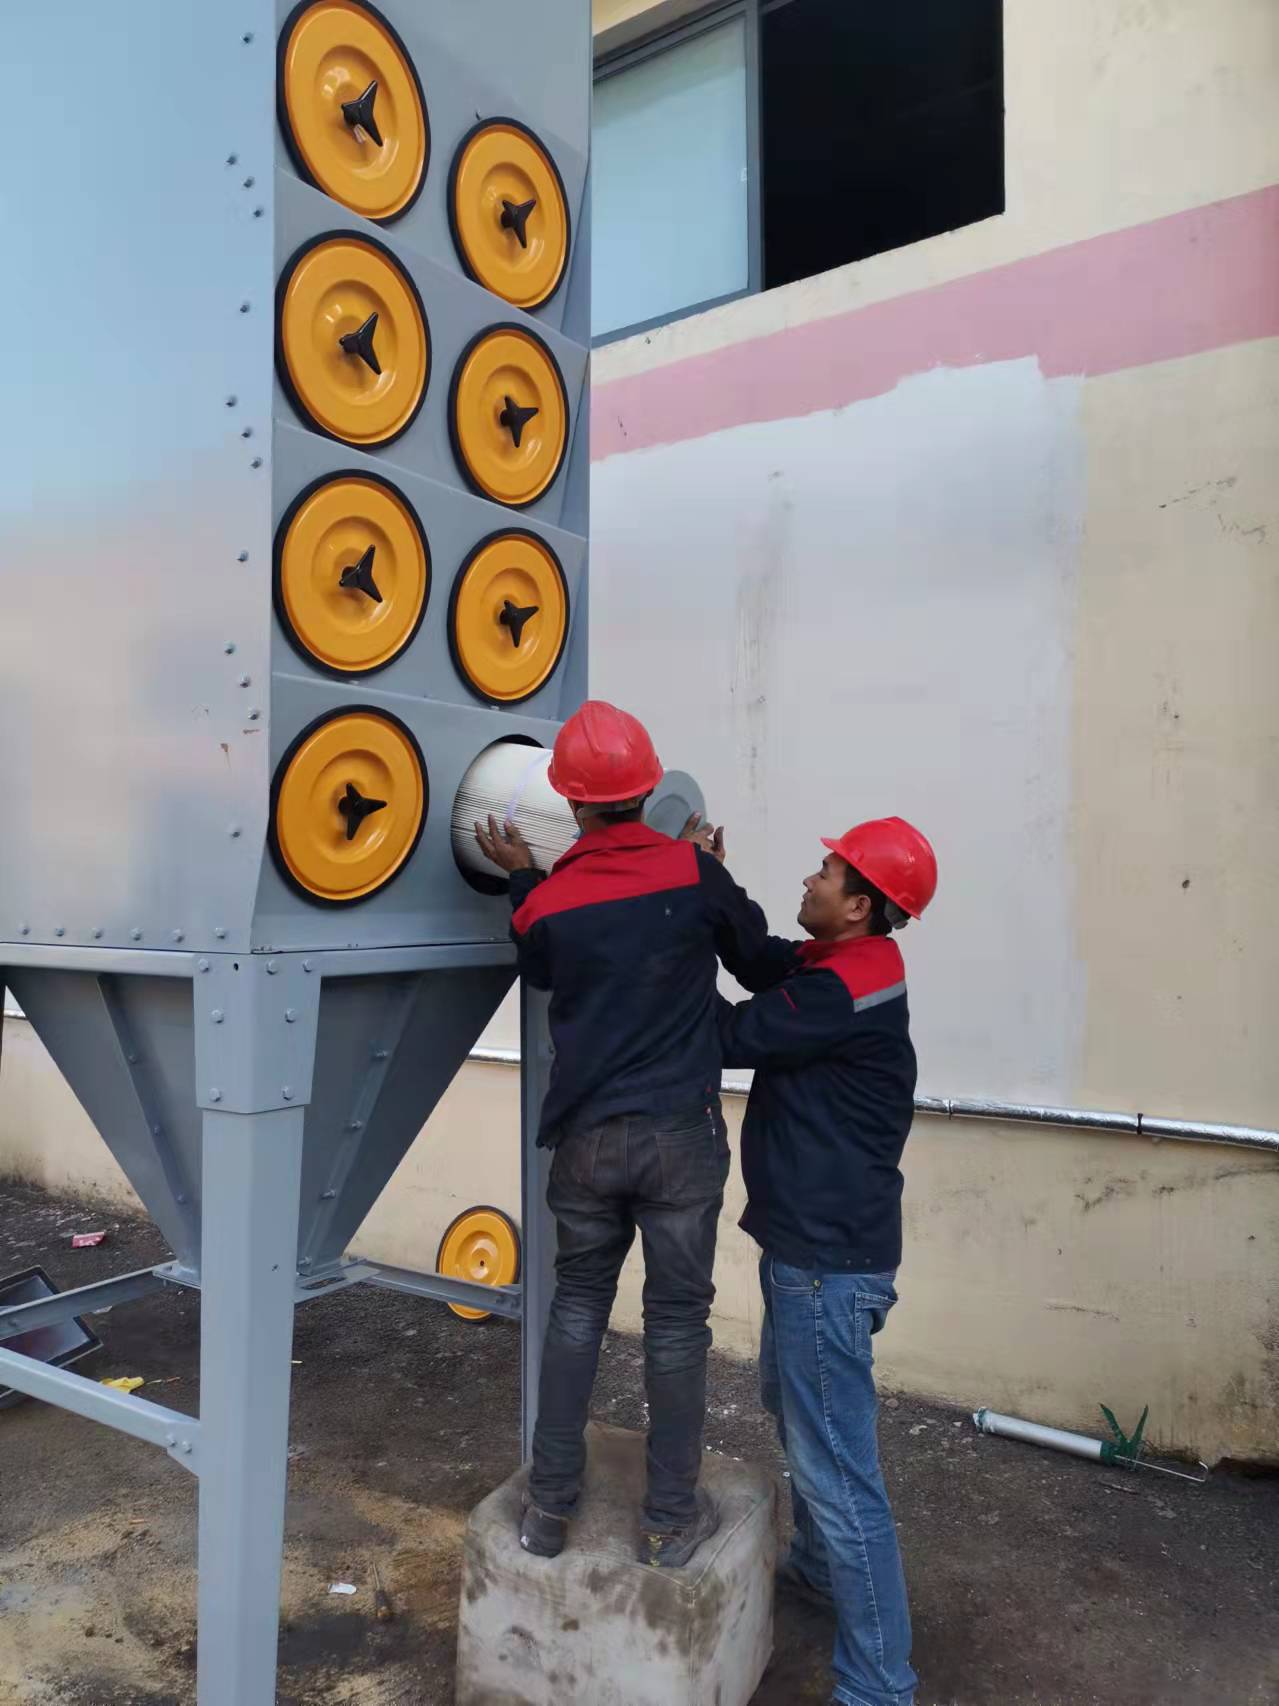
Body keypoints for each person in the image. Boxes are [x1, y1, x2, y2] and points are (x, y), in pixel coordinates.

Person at [474, 700, 767, 1568]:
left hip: (587, 1141)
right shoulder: (693, 873)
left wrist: (521, 877)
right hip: (679, 1137)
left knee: (574, 1312)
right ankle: (669, 1519)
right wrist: (709, 877)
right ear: (649, 790)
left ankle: (547, 1511)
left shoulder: (546, 903)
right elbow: (756, 961)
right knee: (675, 1325)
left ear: (569, 802)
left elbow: (538, 963)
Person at [716, 817, 937, 1706]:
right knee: (794, 1410)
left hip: (824, 1265)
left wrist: (644, 937)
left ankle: (878, 1683)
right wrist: (706, 887)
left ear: (859, 906)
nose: (810, 879)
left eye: (826, 871)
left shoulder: (840, 992)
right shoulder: (847, 967)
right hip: (814, 1251)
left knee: (839, 1474)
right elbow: (761, 960)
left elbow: (729, 1032)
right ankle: (813, 1565)